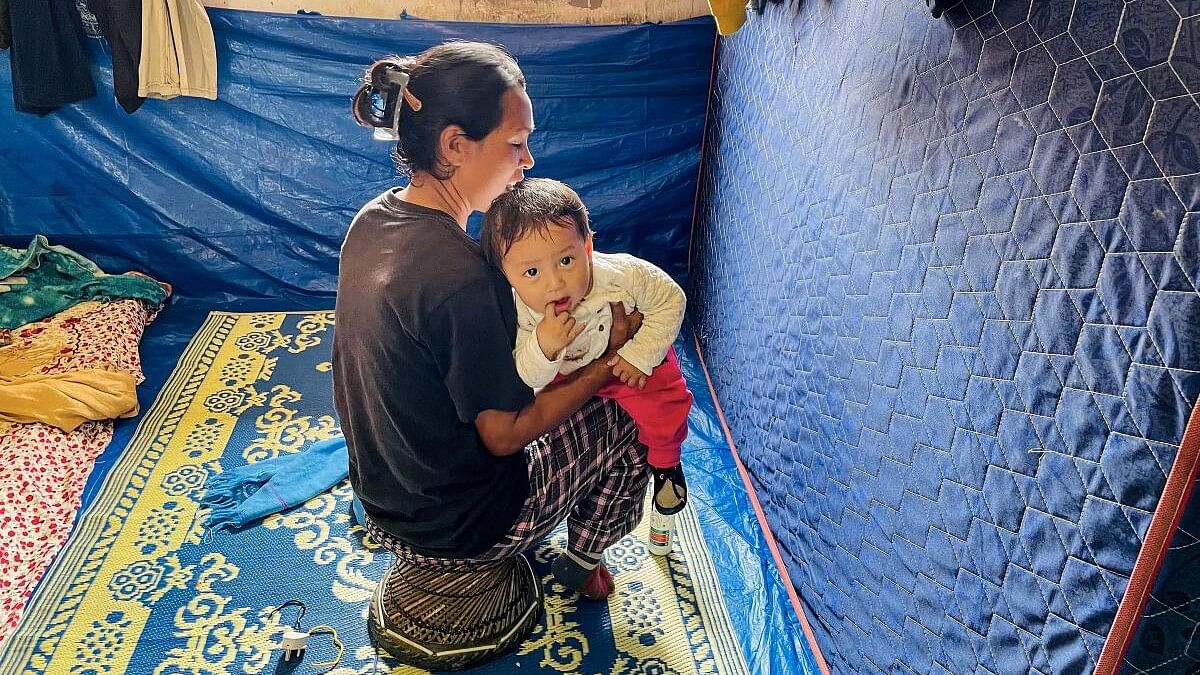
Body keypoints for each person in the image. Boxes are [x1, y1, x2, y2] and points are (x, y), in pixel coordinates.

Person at [333, 41, 647, 601]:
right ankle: (586, 563)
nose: (528, 163)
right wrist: (607, 362)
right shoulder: (460, 276)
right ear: (455, 145)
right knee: (630, 417)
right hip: (461, 527)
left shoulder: (373, 218)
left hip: (383, 497)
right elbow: (504, 439)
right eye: (517, 145)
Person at [482, 178, 692, 552]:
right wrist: (545, 347)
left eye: (566, 260)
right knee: (542, 419)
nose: (554, 283)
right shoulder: (522, 312)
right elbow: (527, 376)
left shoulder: (622, 276)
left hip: (630, 358)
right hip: (573, 374)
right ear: (507, 276)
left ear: (588, 247)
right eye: (531, 273)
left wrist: (638, 355)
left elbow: (670, 301)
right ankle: (580, 528)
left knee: (668, 404)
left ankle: (666, 468)